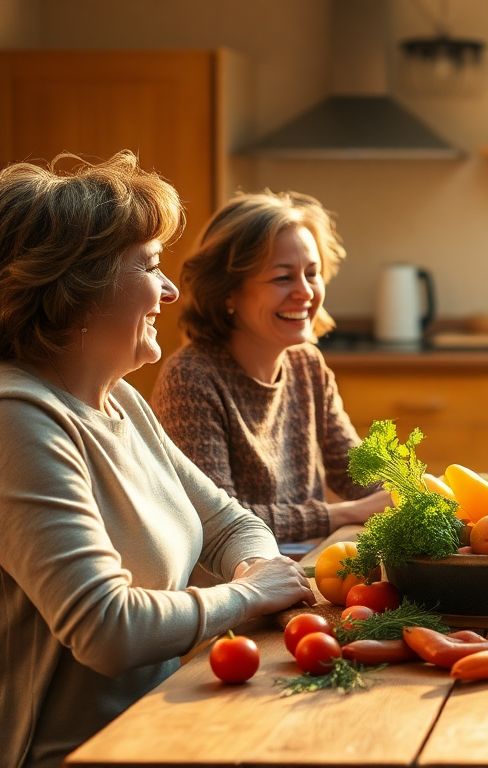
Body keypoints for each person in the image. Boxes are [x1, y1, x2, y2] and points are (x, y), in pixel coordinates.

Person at [0, 152, 314, 768]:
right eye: (149, 266)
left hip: (166, 723)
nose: (170, 290)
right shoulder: (19, 420)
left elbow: (232, 522)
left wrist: (255, 565)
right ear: (77, 289)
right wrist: (248, 596)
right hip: (80, 753)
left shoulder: (118, 399)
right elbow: (106, 628)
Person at [152, 191, 389, 544]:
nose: (305, 292)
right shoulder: (190, 378)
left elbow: (357, 470)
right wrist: (346, 513)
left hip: (301, 564)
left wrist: (413, 493)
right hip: (232, 582)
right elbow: (219, 521)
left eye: (313, 273)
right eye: (283, 278)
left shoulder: (307, 363)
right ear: (228, 292)